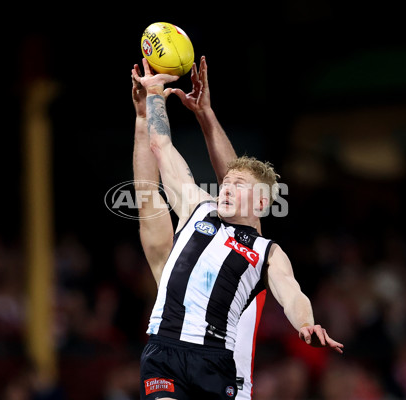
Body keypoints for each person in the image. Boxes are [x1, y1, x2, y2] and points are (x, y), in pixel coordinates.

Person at [133, 58, 344, 400]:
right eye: (225, 182)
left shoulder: (265, 251)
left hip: (217, 365)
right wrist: (155, 93)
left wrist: (305, 322)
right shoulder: (197, 208)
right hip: (164, 351)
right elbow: (163, 148)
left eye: (238, 184)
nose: (226, 186)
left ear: (261, 203)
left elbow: (291, 292)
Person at [131, 56, 266, 400]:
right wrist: (144, 116)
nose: (226, 193)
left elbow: (238, 183)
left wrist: (204, 114)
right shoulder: (169, 268)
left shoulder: (249, 253)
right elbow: (147, 198)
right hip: (174, 372)